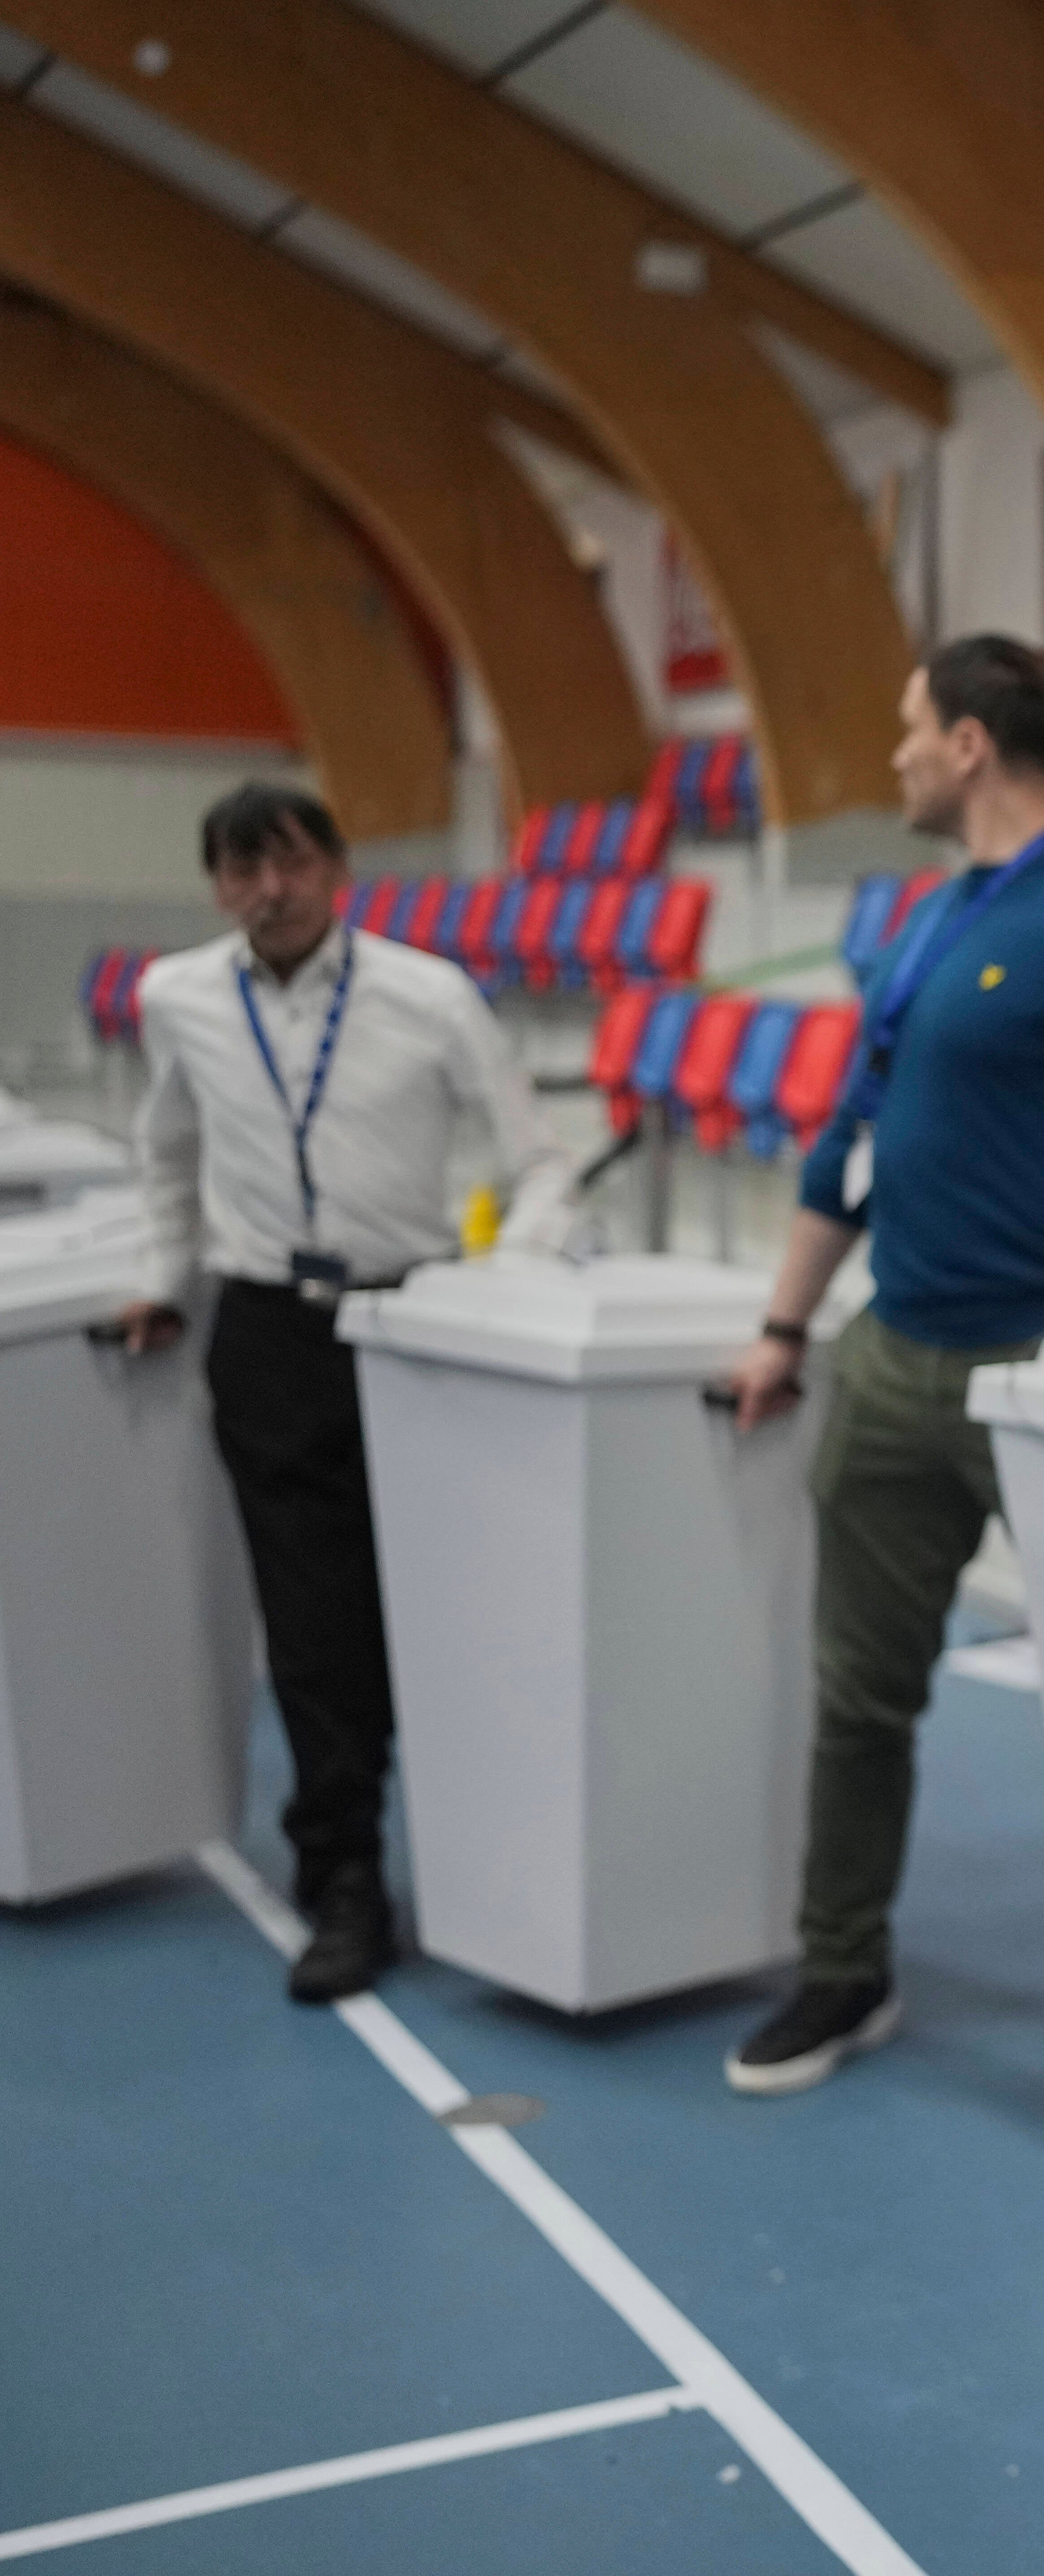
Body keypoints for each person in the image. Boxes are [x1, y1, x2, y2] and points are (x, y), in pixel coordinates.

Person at [715, 635, 1044, 2099]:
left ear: (969, 746)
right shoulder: (932, 917)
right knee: (857, 1696)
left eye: (910, 729)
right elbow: (849, 1144)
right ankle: (843, 1967)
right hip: (895, 1358)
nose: (893, 757)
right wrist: (784, 1329)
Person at [116, 783, 576, 2004]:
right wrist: (164, 1281)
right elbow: (166, 1156)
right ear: (217, 886)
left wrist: (501, 1291)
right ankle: (345, 1874)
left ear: (337, 868)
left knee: (447, 1612)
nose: (270, 893)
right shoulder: (178, 999)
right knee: (312, 1620)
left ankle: (500, 1870)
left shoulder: (431, 996)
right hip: (267, 1330)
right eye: (242, 871)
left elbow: (540, 1163)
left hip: (412, 1326)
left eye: (291, 864)